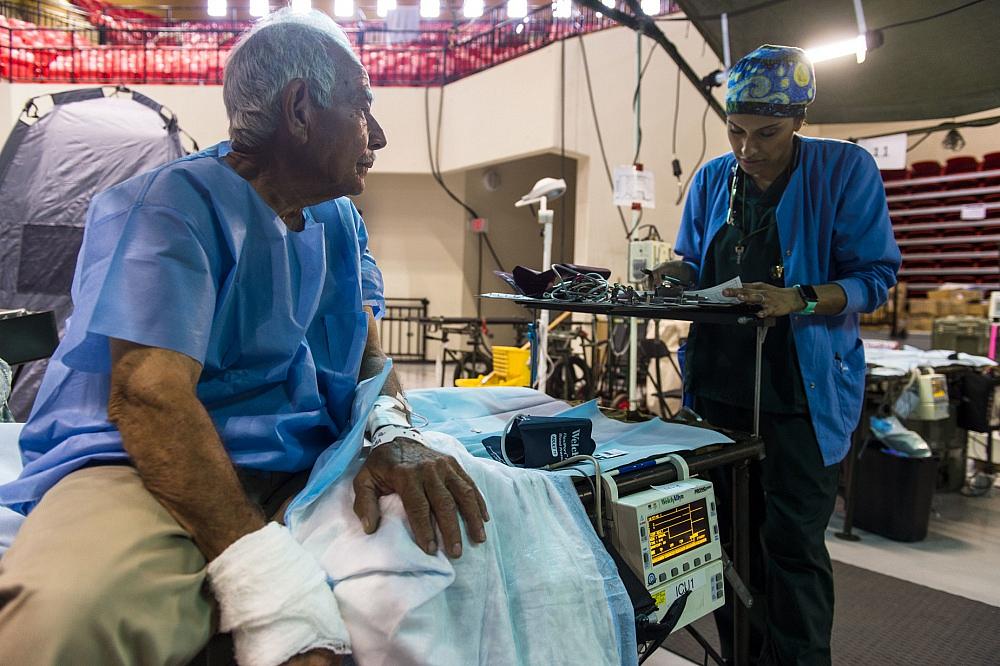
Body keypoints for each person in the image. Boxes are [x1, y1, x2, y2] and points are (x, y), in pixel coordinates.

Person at [0, 10, 488, 666]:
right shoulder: (169, 209)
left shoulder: (339, 220)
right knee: (65, 619)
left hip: (298, 467)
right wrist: (267, 584)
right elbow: (149, 398)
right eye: (365, 105)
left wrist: (395, 430)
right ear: (300, 107)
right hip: (154, 462)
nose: (380, 133)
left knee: (457, 550)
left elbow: (367, 343)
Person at [653, 45, 900, 665]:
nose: (748, 148)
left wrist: (802, 298)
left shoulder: (844, 172)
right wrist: (672, 278)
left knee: (792, 549)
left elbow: (875, 276)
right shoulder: (713, 179)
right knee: (727, 545)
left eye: (767, 133)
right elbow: (692, 258)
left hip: (799, 398)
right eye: (735, 131)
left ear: (800, 120)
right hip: (717, 394)